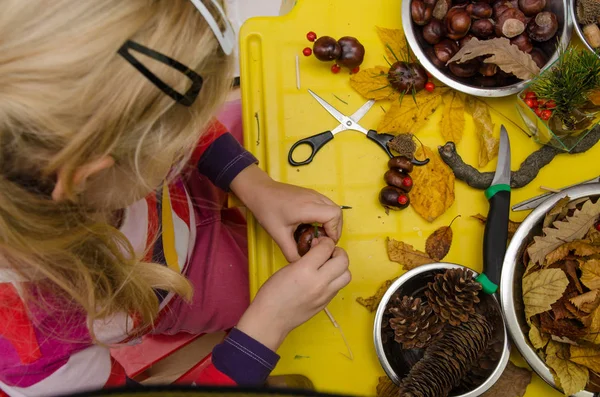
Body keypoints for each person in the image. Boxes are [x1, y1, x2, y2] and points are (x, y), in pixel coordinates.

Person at [0, 1, 351, 395]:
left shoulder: (81, 134)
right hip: (172, 287)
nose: (191, 136)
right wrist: (264, 329)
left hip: (174, 203)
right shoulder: (31, 347)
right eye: (175, 141)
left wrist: (253, 183)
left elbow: (165, 118)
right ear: (93, 171)